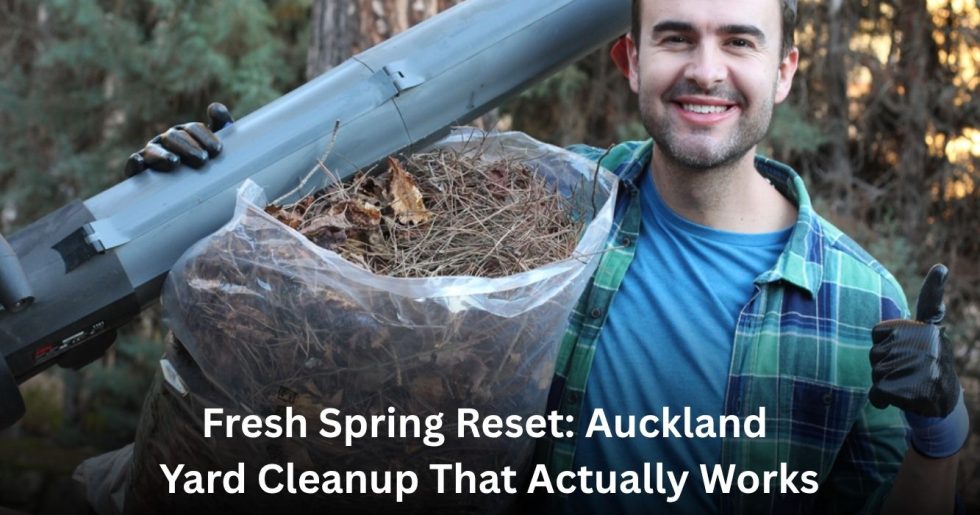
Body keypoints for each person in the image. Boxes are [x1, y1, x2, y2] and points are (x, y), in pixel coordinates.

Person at [129, 1, 967, 513]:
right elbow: (324, 249)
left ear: (784, 71)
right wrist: (209, 179)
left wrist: (940, 424)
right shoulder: (547, 205)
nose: (706, 71)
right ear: (631, 61)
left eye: (739, 42)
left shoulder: (858, 300)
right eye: (676, 38)